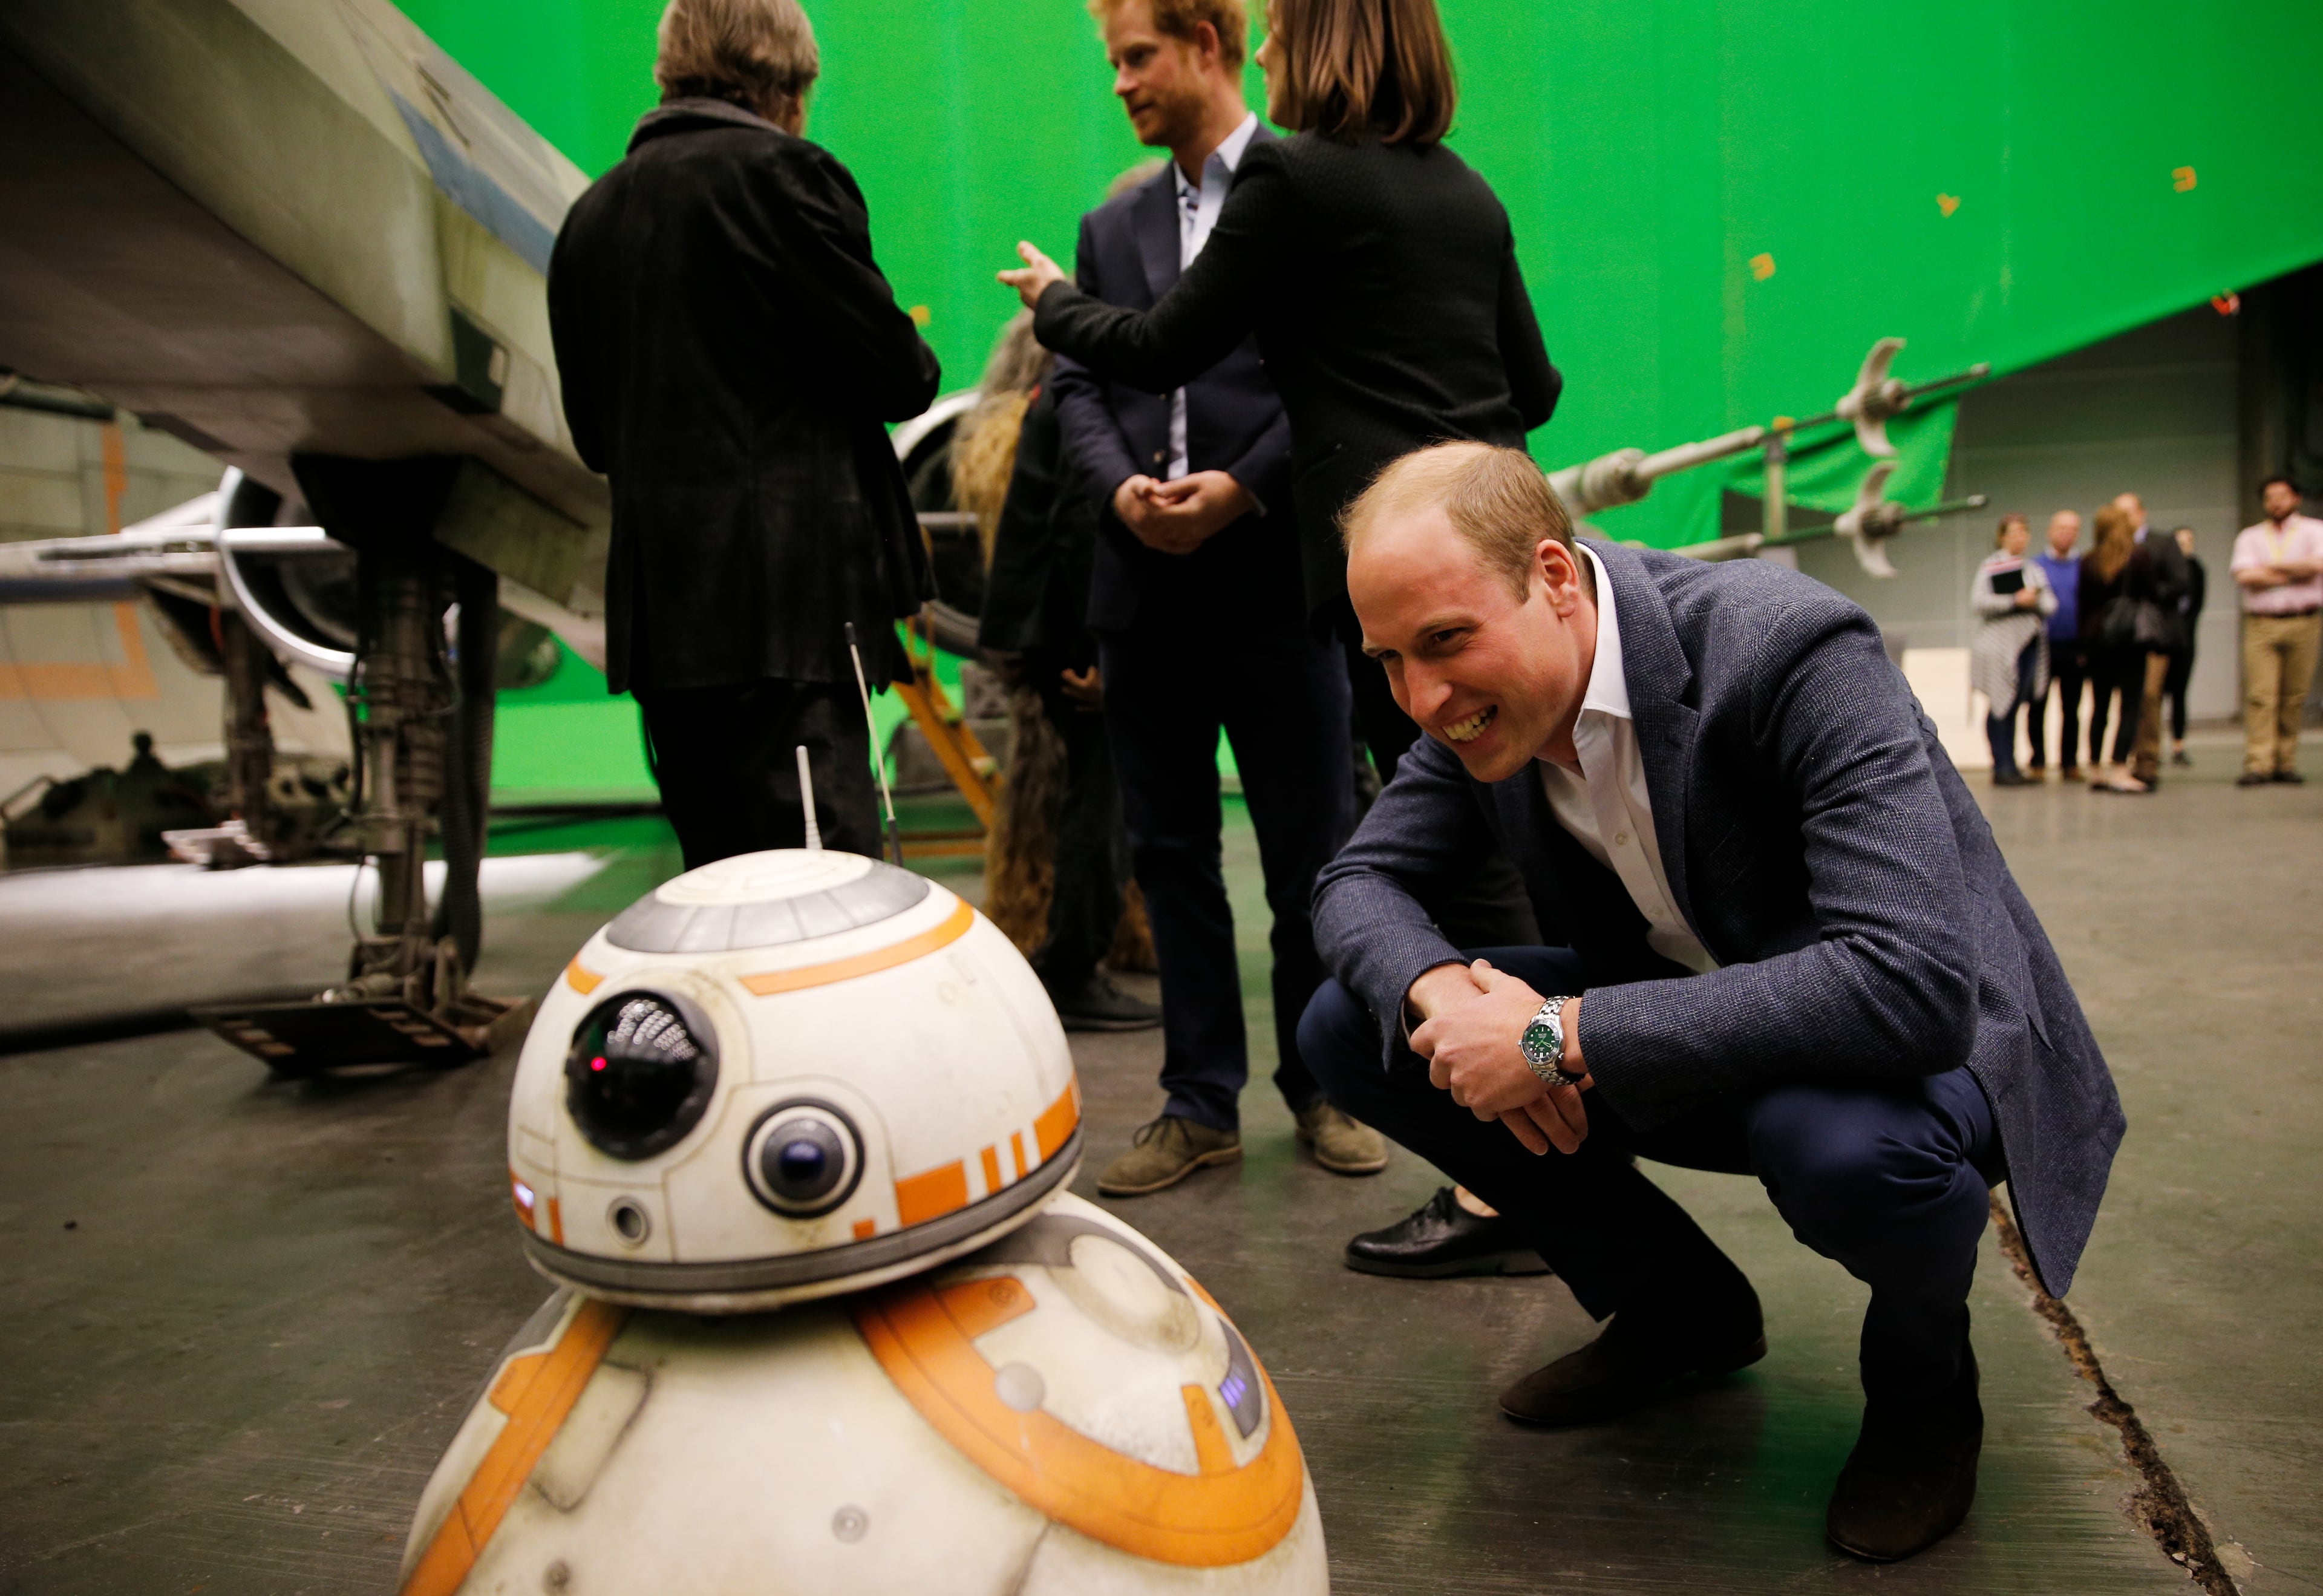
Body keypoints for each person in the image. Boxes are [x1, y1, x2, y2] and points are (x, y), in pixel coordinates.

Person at [1298, 442, 2122, 1563]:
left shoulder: (1785, 645)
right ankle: (1681, 1308)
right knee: (1360, 1024)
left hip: (1915, 1044)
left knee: (1840, 1149)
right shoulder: (1480, 704)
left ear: (1553, 575)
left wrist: (1552, 1033)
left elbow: (1912, 981)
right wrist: (1444, 994)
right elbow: (1358, 883)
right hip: (1691, 1015)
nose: (1422, 697)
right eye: (1388, 660)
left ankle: (1926, 1389)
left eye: (1444, 641)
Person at [1002, 0, 1554, 950]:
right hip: (1504, 546)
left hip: (1402, 556)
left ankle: (1524, 1068)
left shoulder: (1295, 178)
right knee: (1508, 828)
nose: (1262, 52)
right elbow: (1533, 389)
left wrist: (1056, 303)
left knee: (1458, 864)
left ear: (1323, 49)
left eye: (1279, 38)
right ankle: (1559, 1052)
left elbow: (1158, 342)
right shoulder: (1469, 192)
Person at [1044, 0, 1377, 1194]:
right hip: (1144, 588)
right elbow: (1076, 386)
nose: (1123, 83)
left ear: (1206, 46)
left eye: (1137, 58)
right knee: (1171, 852)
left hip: (1278, 579)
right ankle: (1199, 1104)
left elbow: (1339, 380)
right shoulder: (1111, 223)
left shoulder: (1302, 194)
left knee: (1311, 854)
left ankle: (1321, 1080)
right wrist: (1118, 490)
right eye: (1114, 63)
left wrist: (1245, 487)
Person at [548, 0, 939, 868]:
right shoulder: (785, 175)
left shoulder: (592, 215)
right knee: (823, 891)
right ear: (786, 83)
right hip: (789, 621)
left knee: (717, 889)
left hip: (665, 633)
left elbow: (594, 436)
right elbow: (900, 377)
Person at [967, 313, 1160, 1032]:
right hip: (1074, 633)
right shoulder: (1089, 392)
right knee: (1097, 799)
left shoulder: (1045, 396)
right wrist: (1108, 651)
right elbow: (1080, 527)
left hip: (1039, 627)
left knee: (1069, 791)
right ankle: (1073, 963)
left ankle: (1069, 955)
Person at [2229, 474, 2323, 785]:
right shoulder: (2251, 536)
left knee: (2293, 697)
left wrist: (2269, 568)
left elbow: (2318, 566)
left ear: (2296, 498)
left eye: (2282, 496)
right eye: (2270, 497)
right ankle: (2259, 763)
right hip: (2262, 625)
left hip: (2304, 621)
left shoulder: (2315, 530)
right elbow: (2245, 576)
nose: (2276, 502)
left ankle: (2286, 761)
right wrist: (2296, 570)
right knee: (2261, 696)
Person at [1969, 514, 2054, 786]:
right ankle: (2001, 765)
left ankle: (2012, 766)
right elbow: (1979, 602)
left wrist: (2034, 599)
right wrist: (2014, 600)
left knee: (2015, 704)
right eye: (2013, 532)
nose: (2019, 538)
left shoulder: (2032, 569)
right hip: (1999, 647)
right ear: (2002, 536)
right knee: (2000, 702)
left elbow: (2051, 603)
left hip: (2027, 644)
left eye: (2023, 532)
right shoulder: (1991, 566)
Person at [2116, 492, 2189, 791]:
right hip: (2121, 637)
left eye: (2129, 513)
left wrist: (2146, 590)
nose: (2125, 520)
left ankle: (2147, 762)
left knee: (2148, 697)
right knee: (2125, 700)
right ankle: (2119, 760)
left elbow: (2181, 583)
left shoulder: (2163, 543)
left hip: (2153, 635)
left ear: (2141, 514)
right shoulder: (2113, 547)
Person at [2079, 505, 2155, 794]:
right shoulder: (2139, 557)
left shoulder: (2088, 561)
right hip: (2130, 643)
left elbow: (2083, 608)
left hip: (2098, 643)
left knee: (2099, 709)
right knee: (2130, 708)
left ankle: (2096, 769)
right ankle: (2120, 768)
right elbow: (2150, 597)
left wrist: (2083, 646)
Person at [2028, 509, 2086, 779]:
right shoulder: (2034, 567)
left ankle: (2070, 763)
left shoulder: (2084, 567)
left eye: (2072, 529)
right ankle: (2038, 761)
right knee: (2038, 705)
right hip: (2042, 648)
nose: (2067, 534)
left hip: (2074, 647)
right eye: (2062, 528)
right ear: (2051, 531)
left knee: (2072, 708)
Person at [2163, 526, 2206, 766]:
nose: (2184, 546)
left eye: (2189, 541)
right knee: (2154, 695)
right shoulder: (2162, 570)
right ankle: (2151, 747)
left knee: (2179, 694)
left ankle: (2178, 745)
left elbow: (2196, 607)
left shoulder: (2197, 570)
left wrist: (2181, 632)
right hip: (2162, 641)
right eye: (2179, 541)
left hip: (2185, 642)